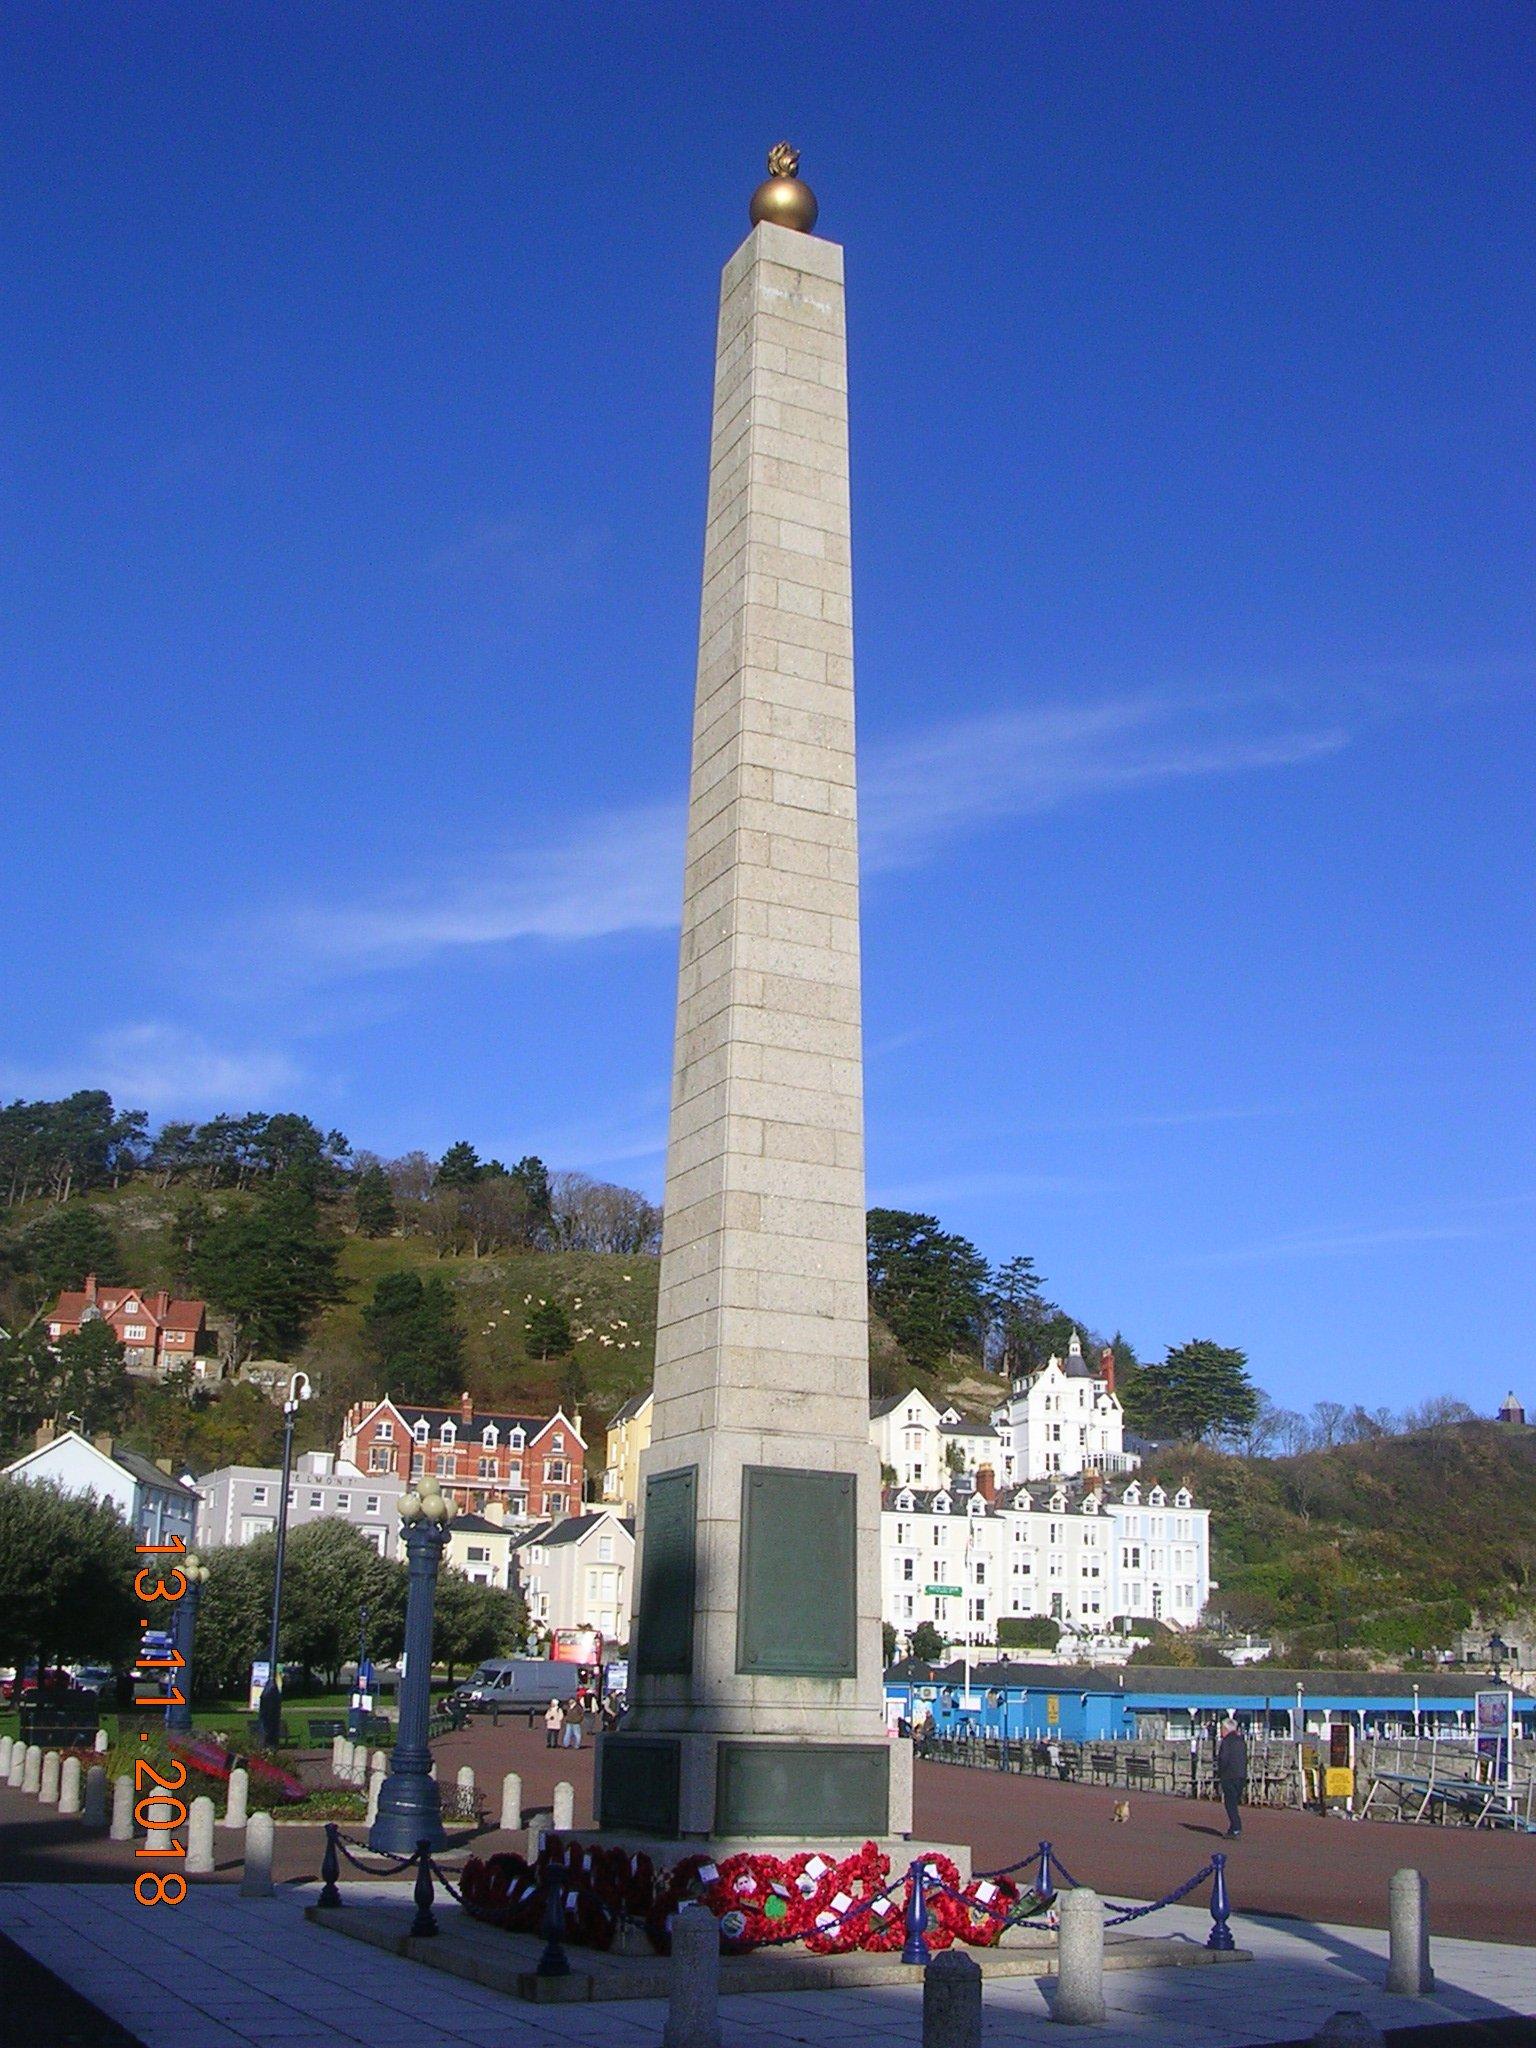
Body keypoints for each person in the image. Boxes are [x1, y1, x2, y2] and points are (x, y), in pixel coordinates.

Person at [1215, 1716, 1248, 1837]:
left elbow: (1223, 1758)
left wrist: (1220, 1771)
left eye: (1222, 1729)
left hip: (1229, 1775)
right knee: (1234, 1802)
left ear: (1226, 1729)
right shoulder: (1241, 1741)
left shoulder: (1227, 1741)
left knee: (1230, 1803)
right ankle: (1233, 1827)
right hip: (1241, 1775)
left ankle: (1236, 1827)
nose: (1221, 1731)